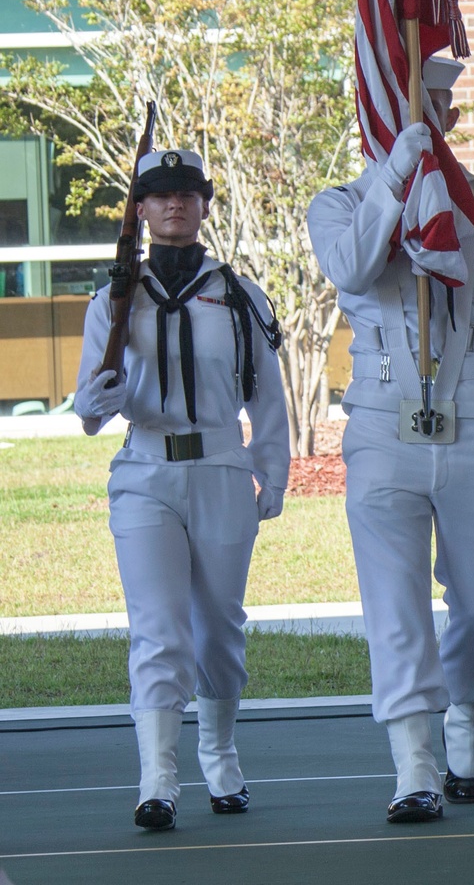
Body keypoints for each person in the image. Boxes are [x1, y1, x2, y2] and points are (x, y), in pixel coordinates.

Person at [307, 57, 474, 825]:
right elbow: (352, 264)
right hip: (383, 420)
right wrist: (397, 176)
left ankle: (466, 716)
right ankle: (414, 762)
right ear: (374, 109)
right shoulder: (341, 203)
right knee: (394, 603)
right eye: (417, 99)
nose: (432, 111)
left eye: (440, 99)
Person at [74, 148, 288, 831]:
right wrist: (99, 394)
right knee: (159, 630)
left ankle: (219, 752)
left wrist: (273, 469)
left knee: (219, 629)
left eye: (187, 194)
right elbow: (87, 414)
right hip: (146, 472)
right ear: (138, 209)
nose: (173, 205)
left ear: (205, 206)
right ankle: (158, 780)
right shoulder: (113, 296)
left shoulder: (236, 294)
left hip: (222, 467)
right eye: (159, 195)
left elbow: (269, 395)